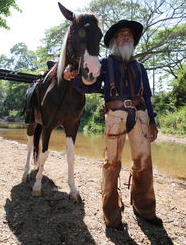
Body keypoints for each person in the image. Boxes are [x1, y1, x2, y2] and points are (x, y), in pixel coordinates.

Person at [64, 20, 162, 230]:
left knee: (143, 163)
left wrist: (152, 121)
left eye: (129, 35)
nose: (126, 36)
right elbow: (89, 87)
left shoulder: (140, 67)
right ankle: (112, 215)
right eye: (121, 34)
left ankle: (144, 209)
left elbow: (148, 97)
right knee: (111, 165)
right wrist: (73, 77)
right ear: (114, 41)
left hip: (141, 115)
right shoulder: (104, 64)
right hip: (115, 116)